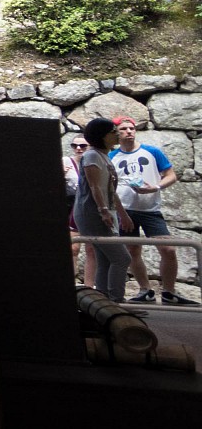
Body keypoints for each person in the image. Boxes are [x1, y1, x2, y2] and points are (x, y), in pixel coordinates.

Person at [112, 119, 187, 305]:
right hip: (125, 209)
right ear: (116, 133)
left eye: (132, 128)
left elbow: (171, 175)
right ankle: (145, 289)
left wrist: (155, 187)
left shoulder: (152, 152)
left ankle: (169, 291)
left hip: (150, 209)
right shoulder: (112, 156)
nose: (129, 132)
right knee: (132, 250)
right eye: (124, 129)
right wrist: (119, 212)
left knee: (168, 249)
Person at [73, 115, 131, 301]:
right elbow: (94, 186)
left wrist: (122, 214)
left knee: (106, 259)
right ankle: (116, 301)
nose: (118, 135)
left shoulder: (103, 156)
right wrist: (103, 211)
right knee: (122, 258)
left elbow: (110, 190)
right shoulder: (91, 155)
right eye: (113, 132)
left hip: (103, 211)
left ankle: (104, 302)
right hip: (93, 213)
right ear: (103, 136)